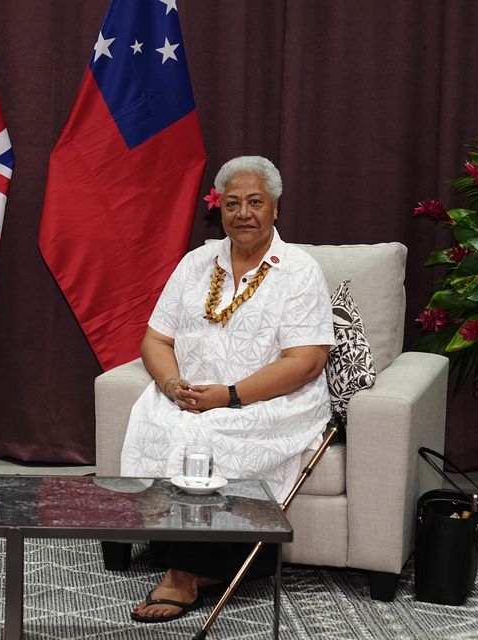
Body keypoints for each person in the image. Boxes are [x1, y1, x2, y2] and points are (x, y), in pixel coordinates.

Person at [120, 156, 334, 623]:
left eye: (256, 202)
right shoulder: (196, 263)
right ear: (219, 209)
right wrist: (171, 384)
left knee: (204, 439)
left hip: (271, 398)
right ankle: (217, 567)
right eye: (233, 203)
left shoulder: (299, 270)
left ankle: (180, 575)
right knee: (155, 422)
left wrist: (230, 395)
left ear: (275, 208)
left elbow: (307, 361)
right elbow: (156, 339)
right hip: (192, 393)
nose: (244, 213)